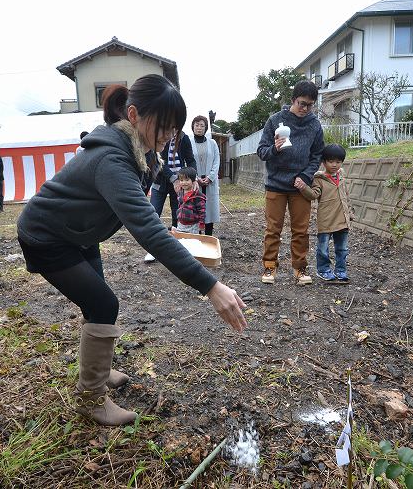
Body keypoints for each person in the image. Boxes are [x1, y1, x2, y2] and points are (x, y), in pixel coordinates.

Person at [17, 74, 247, 426]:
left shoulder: (138, 150)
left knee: (98, 302)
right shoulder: (112, 159)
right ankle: (91, 398)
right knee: (103, 302)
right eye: (165, 128)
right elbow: (149, 232)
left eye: (175, 129)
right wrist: (211, 286)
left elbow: (154, 195)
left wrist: (177, 207)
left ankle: (100, 367)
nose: (170, 136)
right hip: (47, 237)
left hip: (78, 233)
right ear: (136, 115)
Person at [257, 80, 325, 286]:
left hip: (300, 186)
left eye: (310, 105)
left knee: (301, 230)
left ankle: (300, 268)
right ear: (293, 100)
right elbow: (261, 151)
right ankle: (269, 267)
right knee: (273, 229)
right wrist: (274, 149)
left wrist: (305, 177)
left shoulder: (314, 125)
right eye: (302, 103)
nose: (305, 108)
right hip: (276, 184)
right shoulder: (276, 120)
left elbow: (317, 155)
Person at [296, 144, 354, 283]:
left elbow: (346, 196)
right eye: (331, 161)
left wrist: (350, 213)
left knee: (342, 249)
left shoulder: (342, 176)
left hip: (343, 219)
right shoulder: (319, 179)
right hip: (326, 220)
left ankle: (341, 271)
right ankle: (323, 270)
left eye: (338, 162)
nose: (334, 165)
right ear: (324, 162)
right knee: (323, 249)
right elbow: (314, 195)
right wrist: (304, 188)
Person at [150, 128, 196, 228]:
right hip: (160, 181)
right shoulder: (160, 135)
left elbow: (190, 160)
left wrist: (193, 178)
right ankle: (152, 236)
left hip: (180, 181)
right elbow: (159, 161)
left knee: (178, 213)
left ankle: (176, 238)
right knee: (154, 211)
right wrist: (174, 179)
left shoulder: (184, 138)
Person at [191, 115, 221, 236]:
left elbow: (216, 161)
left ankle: (209, 236)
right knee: (195, 208)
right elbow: (188, 161)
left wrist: (210, 177)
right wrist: (195, 177)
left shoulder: (212, 143)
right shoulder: (189, 142)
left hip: (210, 181)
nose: (199, 128)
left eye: (202, 125)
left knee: (209, 210)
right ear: (193, 127)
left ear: (206, 128)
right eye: (197, 125)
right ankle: (197, 236)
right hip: (195, 180)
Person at [175, 167, 206, 234]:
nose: (184, 183)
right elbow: (180, 206)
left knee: (192, 241)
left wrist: (201, 223)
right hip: (181, 224)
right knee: (181, 241)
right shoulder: (180, 193)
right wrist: (179, 217)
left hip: (193, 225)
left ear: (193, 181)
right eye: (181, 180)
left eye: (187, 180)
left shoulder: (197, 195)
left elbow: (202, 211)